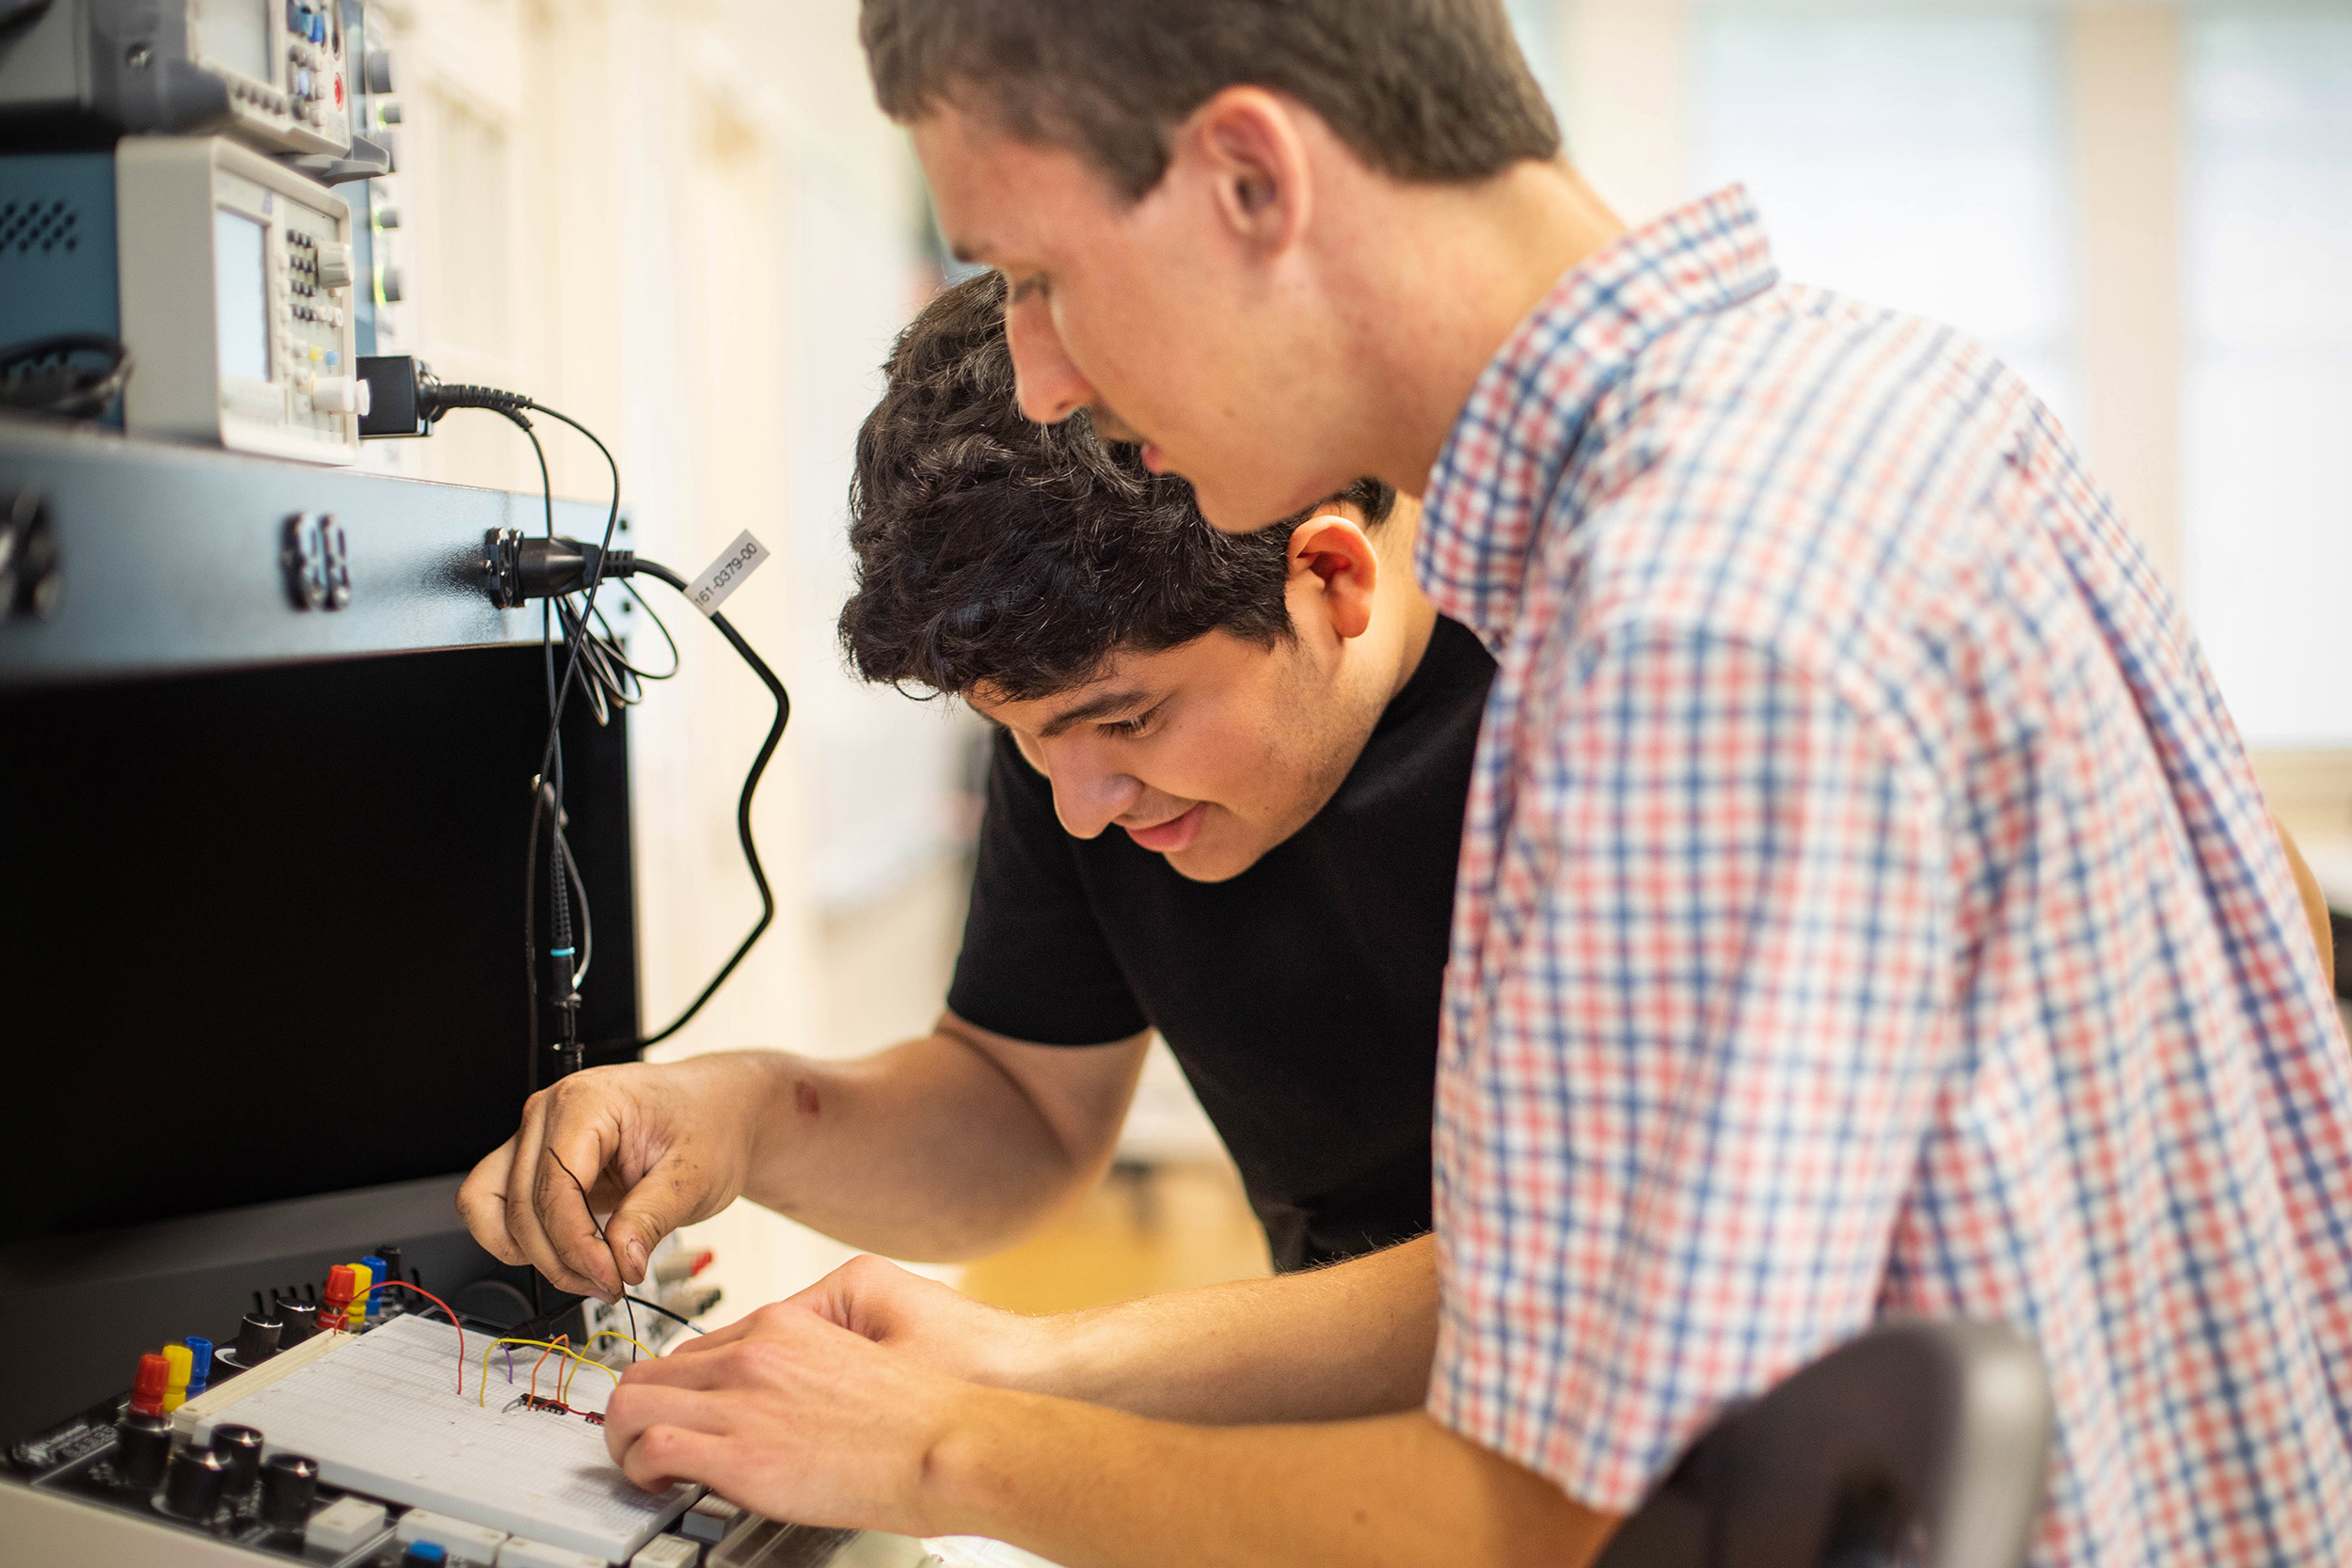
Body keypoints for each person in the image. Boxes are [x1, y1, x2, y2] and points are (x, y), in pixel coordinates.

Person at [596, 5, 2352, 1566]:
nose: (1044, 369)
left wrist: (941, 1446)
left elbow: (1544, 1511)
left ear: (1247, 183)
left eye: (1039, 276)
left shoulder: (1682, 624)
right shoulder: (1895, 403)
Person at [456, 272, 1491, 1370]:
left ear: (1331, 577)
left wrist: (1014, 1378)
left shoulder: (1586, 706)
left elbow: (1591, 1284)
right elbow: (1023, 1109)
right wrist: (743, 1111)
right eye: (1027, 736)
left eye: (1130, 720)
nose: (1081, 810)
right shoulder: (1082, 740)